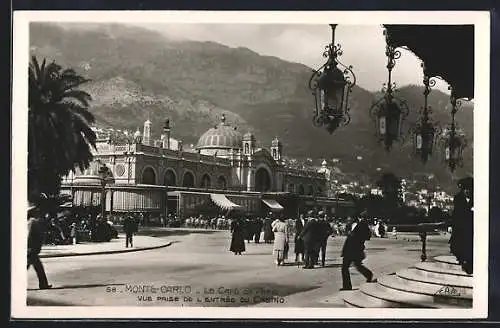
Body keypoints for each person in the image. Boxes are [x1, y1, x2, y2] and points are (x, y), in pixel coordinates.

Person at [340, 219, 375, 291]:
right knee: (357, 264)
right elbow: (367, 237)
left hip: (351, 249)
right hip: (356, 249)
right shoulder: (363, 226)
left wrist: (351, 234)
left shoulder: (360, 225)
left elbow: (354, 238)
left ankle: (347, 286)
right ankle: (368, 274)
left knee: (345, 267)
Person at [449, 176, 473, 274]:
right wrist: (451, 225)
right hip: (460, 226)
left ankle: (467, 261)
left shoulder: (477, 198)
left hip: (471, 226)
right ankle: (462, 259)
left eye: (468, 189)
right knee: (457, 243)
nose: (467, 191)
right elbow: (455, 213)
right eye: (465, 189)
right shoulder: (458, 198)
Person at [27, 205, 52, 289]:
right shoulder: (32, 222)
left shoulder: (33, 222)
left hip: (32, 250)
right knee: (37, 268)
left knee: (38, 268)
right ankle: (43, 284)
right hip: (31, 250)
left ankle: (43, 284)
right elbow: (29, 236)